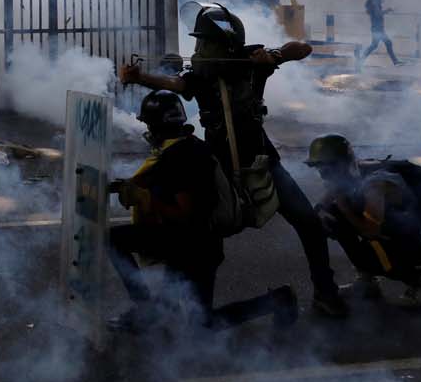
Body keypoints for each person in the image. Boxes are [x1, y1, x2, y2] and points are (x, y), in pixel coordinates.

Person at [118, 3, 348, 318]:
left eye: (205, 43)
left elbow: (303, 48)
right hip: (219, 168)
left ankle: (326, 291)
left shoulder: (252, 63)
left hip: (263, 163)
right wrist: (139, 77)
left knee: (308, 223)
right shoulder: (199, 76)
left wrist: (275, 56)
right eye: (199, 43)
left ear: (225, 45)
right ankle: (176, 304)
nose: (199, 49)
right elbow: (174, 84)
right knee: (198, 233)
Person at [106, 90, 298, 332]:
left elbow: (184, 214)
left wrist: (146, 199)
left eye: (148, 123)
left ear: (156, 125)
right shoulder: (187, 145)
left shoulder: (179, 157)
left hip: (193, 247)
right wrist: (123, 187)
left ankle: (277, 301)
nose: (147, 130)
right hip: (191, 241)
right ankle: (150, 313)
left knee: (202, 326)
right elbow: (160, 183)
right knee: (175, 308)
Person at [305, 134, 421, 308]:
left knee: (345, 220)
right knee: (333, 217)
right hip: (394, 234)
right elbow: (329, 199)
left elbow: (370, 230)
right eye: (319, 168)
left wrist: (344, 207)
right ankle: (367, 282)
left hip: (413, 245)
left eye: (325, 169)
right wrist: (315, 213)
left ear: (339, 164)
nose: (322, 174)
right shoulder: (353, 170)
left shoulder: (375, 185)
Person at [356, 0, 401, 69]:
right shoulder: (374, 3)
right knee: (386, 43)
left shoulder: (373, 3)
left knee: (375, 45)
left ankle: (360, 61)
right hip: (377, 29)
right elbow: (378, 14)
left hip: (377, 28)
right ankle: (395, 62)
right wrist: (388, 10)